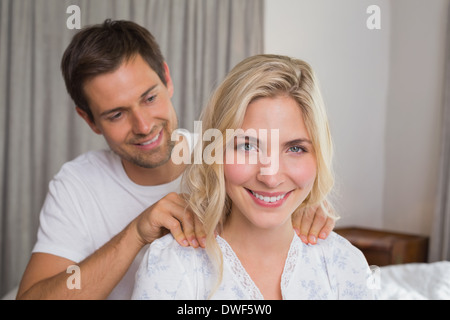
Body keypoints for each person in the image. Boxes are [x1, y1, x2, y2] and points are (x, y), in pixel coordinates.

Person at [16, 20, 333, 300]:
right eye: (116, 114)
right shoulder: (77, 186)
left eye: (149, 97)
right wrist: (136, 233)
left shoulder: (226, 156)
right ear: (89, 120)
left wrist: (299, 206)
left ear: (166, 78)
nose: (143, 126)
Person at [132, 54, 375, 300]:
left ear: (318, 157)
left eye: (295, 148)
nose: (270, 178)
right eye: (247, 147)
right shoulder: (171, 266)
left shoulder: (345, 265)